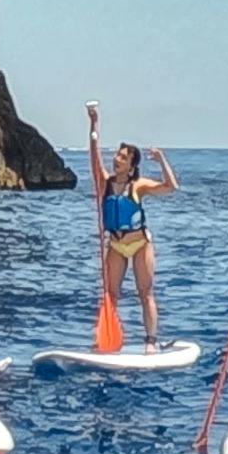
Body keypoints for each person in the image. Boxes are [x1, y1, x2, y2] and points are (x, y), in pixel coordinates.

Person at [84, 102, 180, 342]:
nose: (117, 160)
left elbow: (171, 187)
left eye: (123, 157)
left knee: (145, 293)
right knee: (110, 294)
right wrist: (94, 125)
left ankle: (151, 340)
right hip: (115, 244)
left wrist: (161, 160)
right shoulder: (104, 183)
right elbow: (94, 158)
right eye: (118, 155)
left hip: (140, 244)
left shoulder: (138, 186)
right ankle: (108, 340)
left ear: (131, 165)